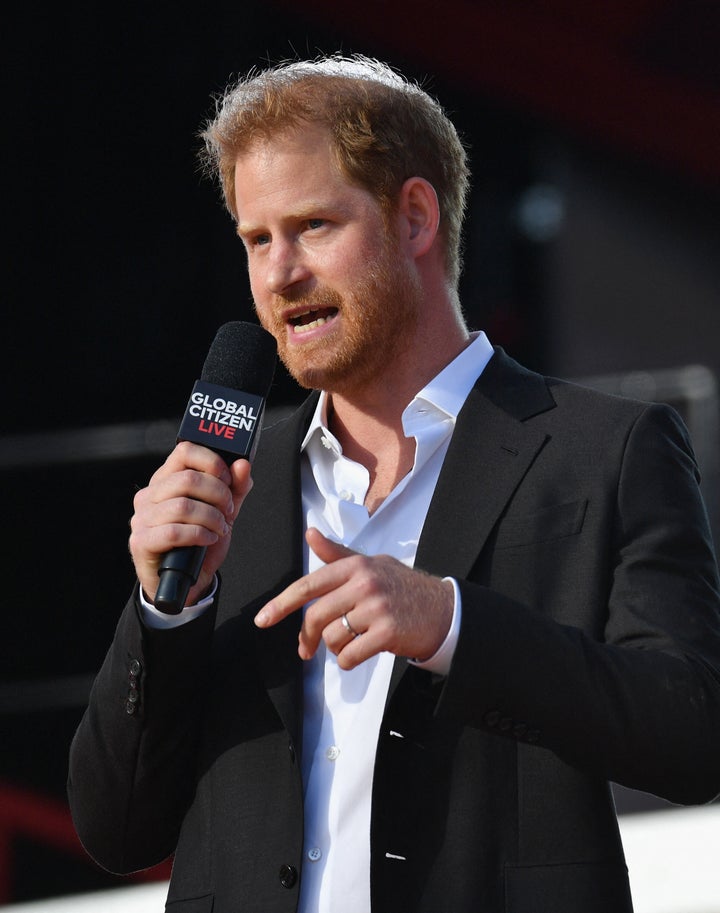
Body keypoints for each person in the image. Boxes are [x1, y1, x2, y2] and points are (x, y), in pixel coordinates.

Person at [68, 55, 720, 913]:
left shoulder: (607, 449)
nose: (278, 274)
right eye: (256, 239)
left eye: (312, 227)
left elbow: (694, 736)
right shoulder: (231, 485)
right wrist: (166, 610)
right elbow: (116, 827)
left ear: (414, 215)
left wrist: (452, 625)